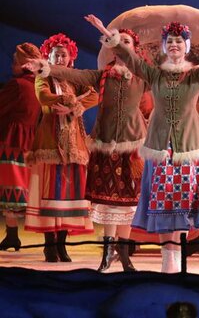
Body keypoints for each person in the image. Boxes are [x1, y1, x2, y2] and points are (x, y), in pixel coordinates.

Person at [86, 14, 199, 273]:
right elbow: (131, 59)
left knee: (183, 204)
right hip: (160, 146)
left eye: (179, 41)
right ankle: (168, 258)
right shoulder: (155, 74)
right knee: (164, 203)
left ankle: (177, 255)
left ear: (186, 46)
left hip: (187, 147)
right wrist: (108, 35)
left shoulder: (196, 75)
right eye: (170, 41)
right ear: (165, 47)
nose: (175, 45)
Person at [25, 29, 149, 272]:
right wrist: (45, 67)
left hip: (132, 145)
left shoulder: (142, 76)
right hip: (105, 144)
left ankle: (124, 253)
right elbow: (73, 74)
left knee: (129, 203)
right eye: (119, 42)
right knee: (108, 201)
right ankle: (108, 252)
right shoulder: (102, 76)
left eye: (127, 42)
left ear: (135, 49)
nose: (122, 46)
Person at [24, 33, 98, 262]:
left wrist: (74, 108)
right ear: (48, 57)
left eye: (64, 55)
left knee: (70, 193)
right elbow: (43, 97)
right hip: (51, 142)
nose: (60, 59)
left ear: (70, 58)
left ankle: (62, 245)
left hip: (74, 142)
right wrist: (69, 101)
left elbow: (95, 94)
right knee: (51, 192)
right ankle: (49, 245)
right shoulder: (43, 76)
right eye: (55, 55)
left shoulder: (74, 78)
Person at [0, 43, 43, 252]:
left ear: (25, 64)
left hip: (11, 142)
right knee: (17, 189)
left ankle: (12, 235)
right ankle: (13, 236)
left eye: (15, 62)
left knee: (9, 189)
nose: (12, 66)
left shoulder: (17, 85)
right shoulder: (39, 85)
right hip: (29, 142)